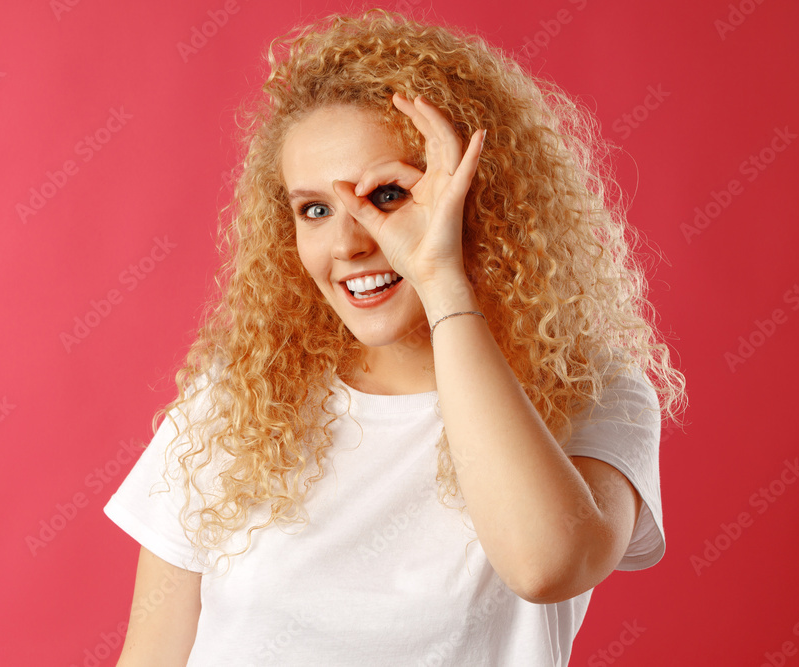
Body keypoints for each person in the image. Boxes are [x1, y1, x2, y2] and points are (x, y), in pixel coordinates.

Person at [103, 8, 686, 666]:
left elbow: (545, 563)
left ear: (477, 196)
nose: (348, 243)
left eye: (386, 195)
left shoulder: (590, 392)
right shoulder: (238, 399)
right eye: (315, 209)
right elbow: (150, 654)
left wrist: (440, 280)